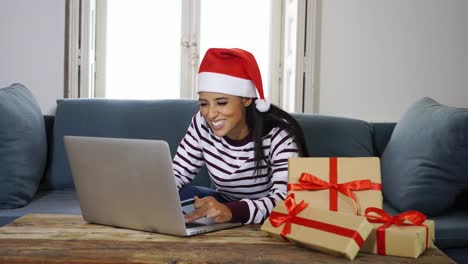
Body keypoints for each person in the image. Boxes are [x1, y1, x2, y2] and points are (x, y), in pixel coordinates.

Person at [173, 48, 309, 225]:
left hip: (264, 212)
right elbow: (177, 172)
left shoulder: (279, 134)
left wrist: (232, 211)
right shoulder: (201, 123)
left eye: (222, 103)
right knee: (181, 195)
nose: (211, 114)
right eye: (204, 104)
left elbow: (288, 200)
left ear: (246, 99)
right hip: (224, 203)